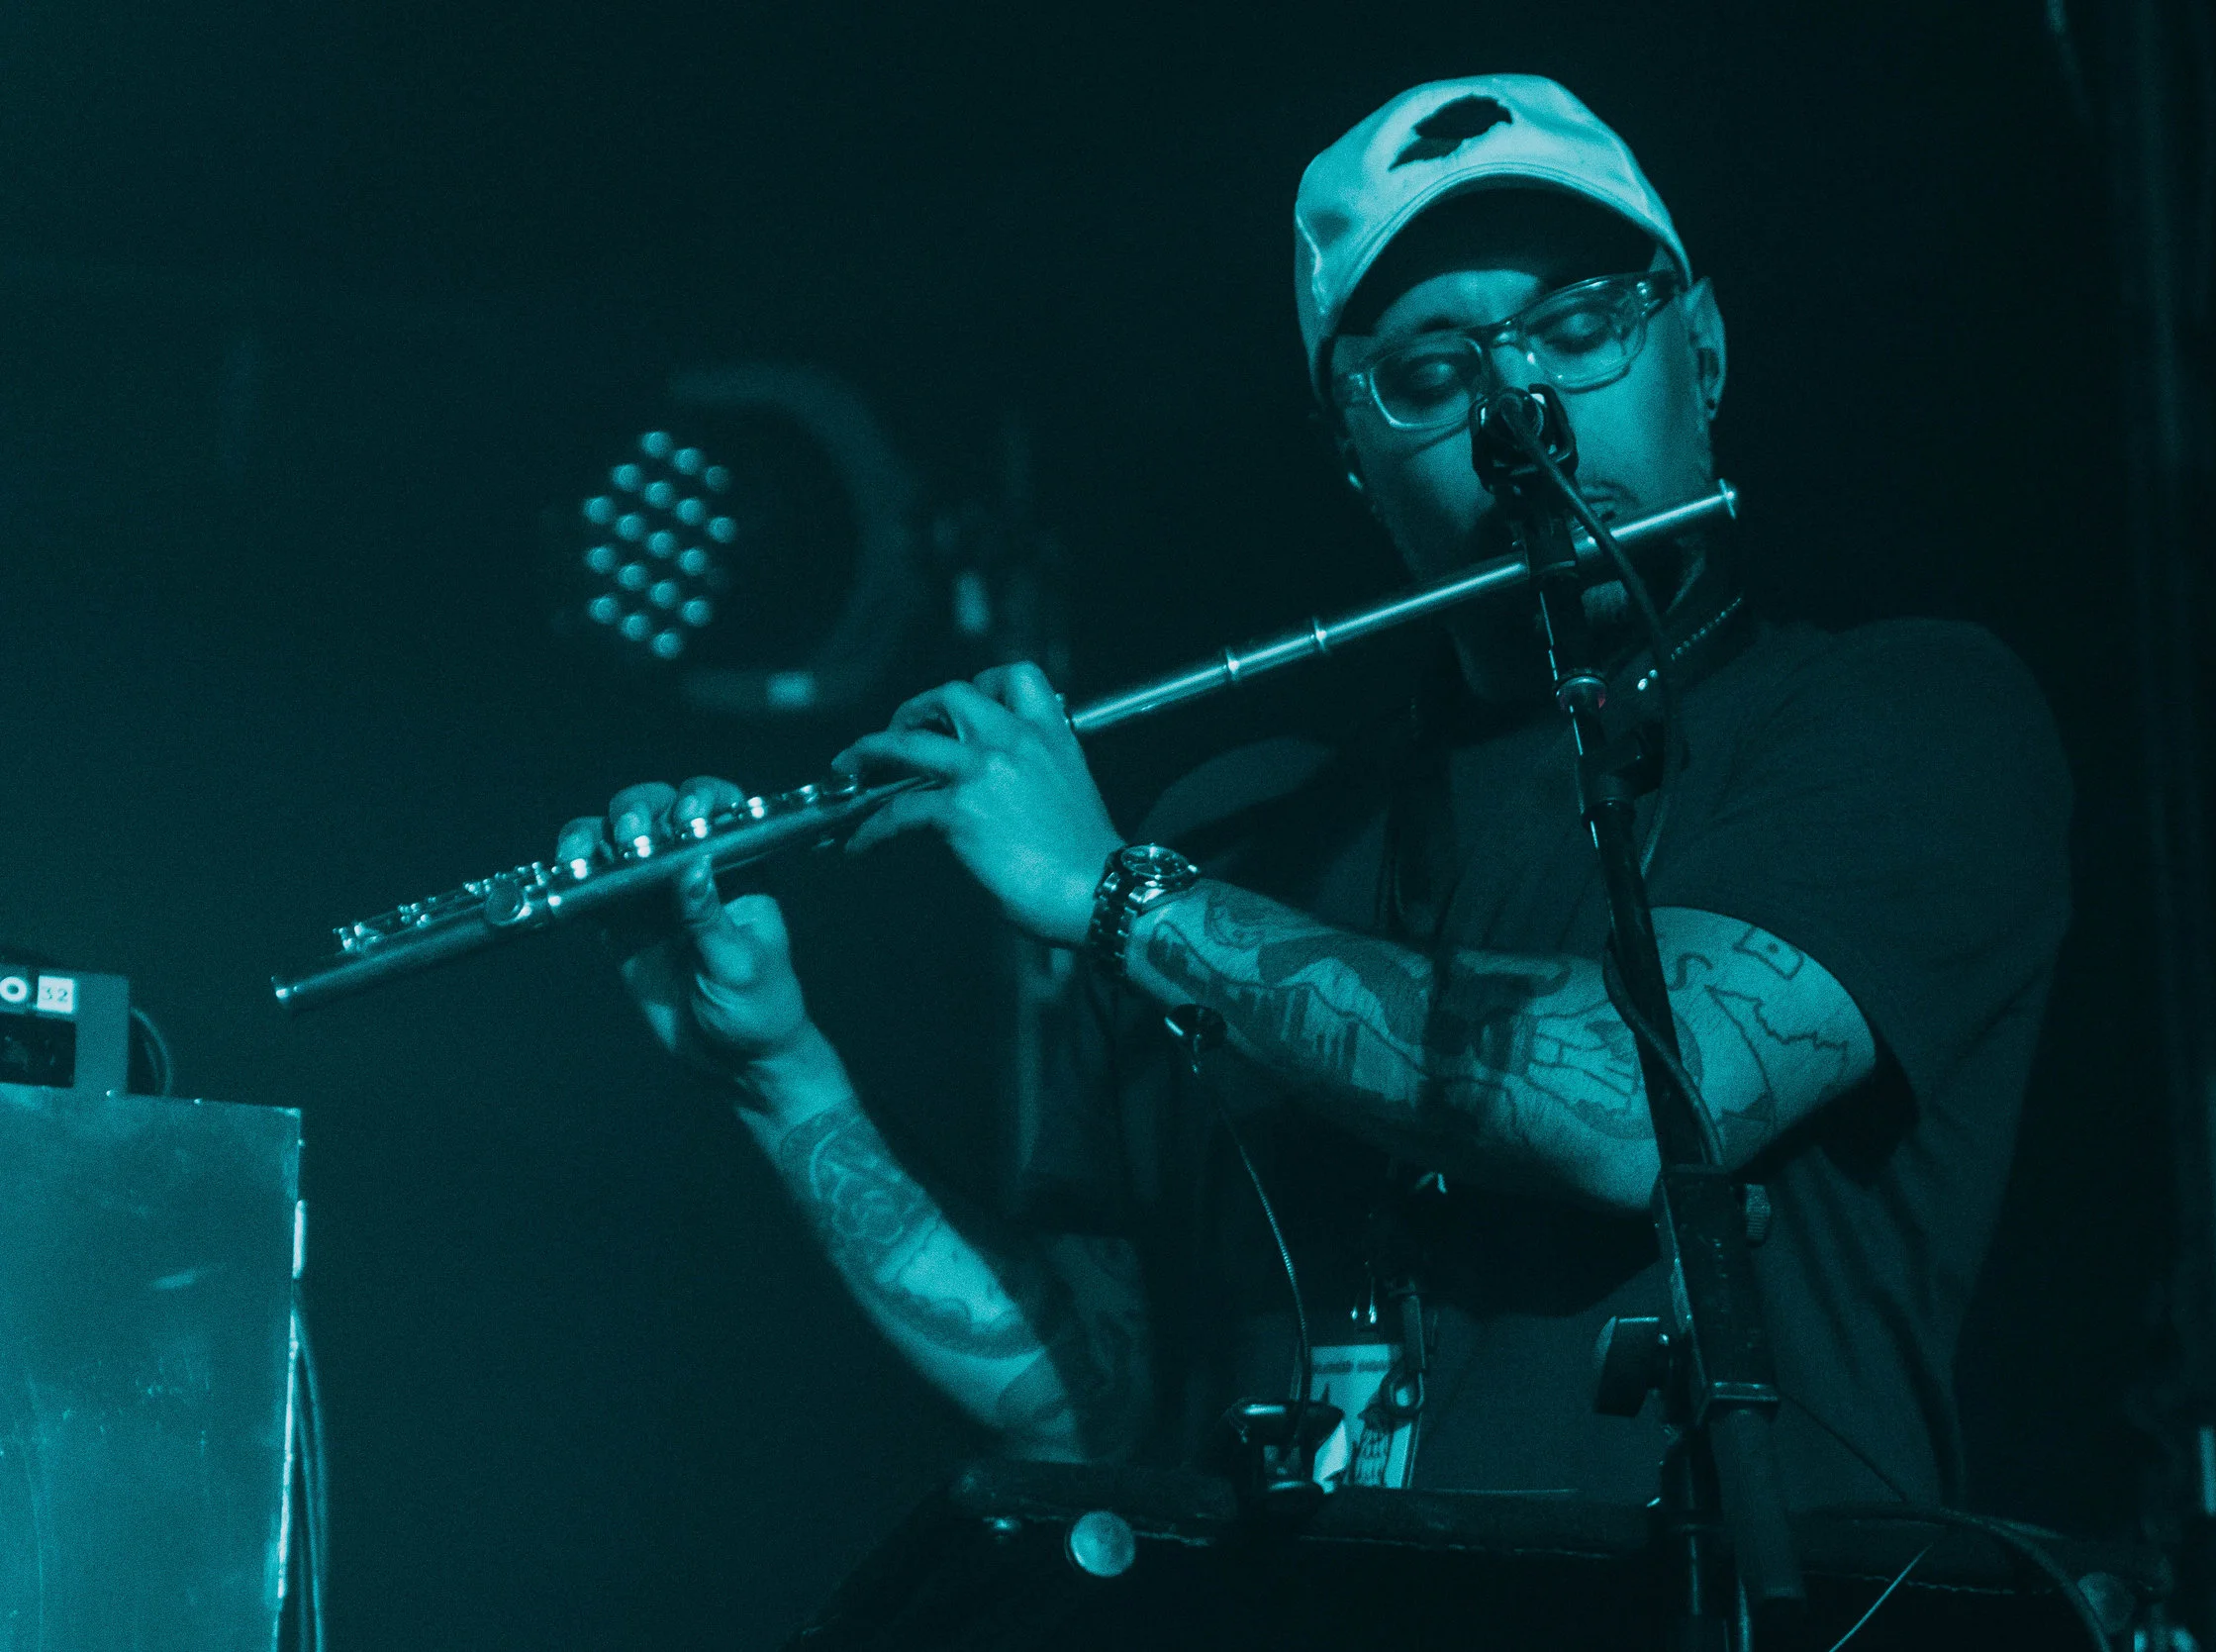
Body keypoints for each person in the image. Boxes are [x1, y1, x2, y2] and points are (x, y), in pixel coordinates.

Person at [557, 74, 2071, 1508]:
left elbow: (1634, 1107)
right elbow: (1095, 1397)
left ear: (1707, 350)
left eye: (1582, 327)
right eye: (1432, 374)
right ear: (1353, 450)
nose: (1519, 408)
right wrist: (783, 1077)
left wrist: (1117, 893)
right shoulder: (1239, 830)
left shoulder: (1909, 713)